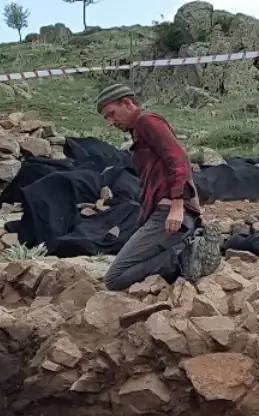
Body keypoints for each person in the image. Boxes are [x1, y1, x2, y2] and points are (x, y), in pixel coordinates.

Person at [95, 83, 222, 291]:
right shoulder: (138, 130)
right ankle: (187, 247)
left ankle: (184, 254)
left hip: (168, 213)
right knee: (127, 268)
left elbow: (178, 159)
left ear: (127, 103)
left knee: (114, 278)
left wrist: (177, 205)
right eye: (106, 118)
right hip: (164, 213)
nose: (110, 122)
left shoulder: (147, 121)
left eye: (111, 114)